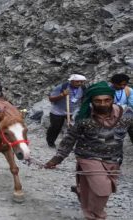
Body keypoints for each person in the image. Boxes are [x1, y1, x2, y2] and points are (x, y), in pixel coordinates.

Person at [44, 81, 133, 220]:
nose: (102, 104)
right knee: (103, 189)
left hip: (114, 159)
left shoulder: (126, 114)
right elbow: (70, 138)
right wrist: (57, 158)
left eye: (107, 100)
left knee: (103, 188)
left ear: (113, 99)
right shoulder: (82, 116)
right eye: (98, 101)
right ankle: (96, 216)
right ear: (91, 101)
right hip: (88, 156)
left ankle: (81, 191)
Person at [46, 74, 86, 148]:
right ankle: (50, 142)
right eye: (77, 82)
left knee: (74, 128)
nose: (80, 83)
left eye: (81, 82)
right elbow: (51, 99)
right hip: (58, 111)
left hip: (73, 111)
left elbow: (83, 99)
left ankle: (70, 144)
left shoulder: (83, 88)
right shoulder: (62, 87)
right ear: (71, 81)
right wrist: (62, 95)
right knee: (55, 127)